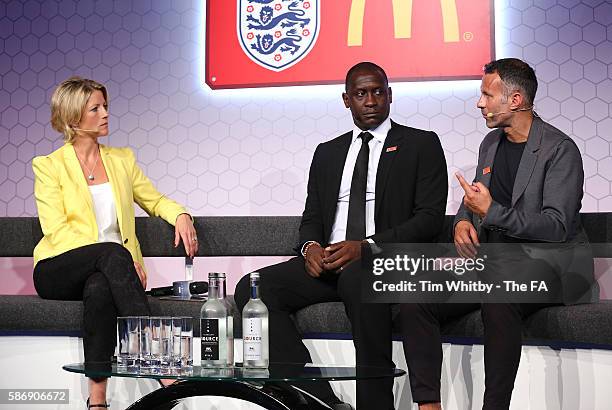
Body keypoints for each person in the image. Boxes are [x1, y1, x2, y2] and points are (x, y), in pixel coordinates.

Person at [234, 62, 448, 410]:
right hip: (330, 260)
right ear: (346, 100)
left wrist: (366, 248)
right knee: (253, 287)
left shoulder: (420, 144)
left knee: (357, 280)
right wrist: (310, 248)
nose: (371, 100)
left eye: (378, 91)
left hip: (381, 261)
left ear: (390, 95)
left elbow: (428, 220)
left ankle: (375, 404)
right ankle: (315, 399)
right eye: (361, 94)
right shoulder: (328, 152)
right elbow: (312, 217)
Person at [400, 58, 599, 410]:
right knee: (418, 297)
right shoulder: (491, 144)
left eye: (487, 95)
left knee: (499, 291)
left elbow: (556, 226)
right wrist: (462, 220)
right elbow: (476, 198)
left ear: (516, 99)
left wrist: (492, 213)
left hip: (553, 265)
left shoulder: (559, 150)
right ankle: (428, 405)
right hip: (495, 263)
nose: (480, 103)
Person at [32, 77, 198, 409]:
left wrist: (181, 215)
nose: (106, 113)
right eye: (96, 108)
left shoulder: (121, 160)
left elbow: (154, 200)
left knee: (99, 288)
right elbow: (57, 230)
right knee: (107, 258)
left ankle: (97, 401)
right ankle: (158, 358)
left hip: (107, 273)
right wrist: (114, 256)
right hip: (59, 267)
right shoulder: (48, 166)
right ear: (73, 117)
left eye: (105, 106)